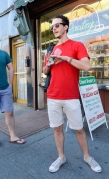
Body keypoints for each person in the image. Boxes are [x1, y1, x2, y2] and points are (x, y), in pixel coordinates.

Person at [43, 15, 102, 173]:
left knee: (79, 129)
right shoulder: (51, 49)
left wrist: (67, 59)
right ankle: (61, 157)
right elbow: (44, 72)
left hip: (71, 96)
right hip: (53, 95)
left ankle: (87, 156)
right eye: (52, 27)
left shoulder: (77, 45)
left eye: (57, 25)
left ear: (66, 27)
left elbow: (86, 66)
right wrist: (48, 64)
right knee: (57, 129)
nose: (54, 28)